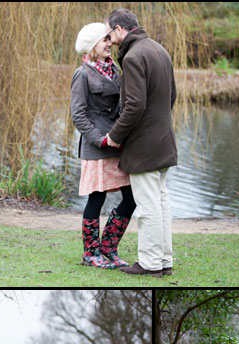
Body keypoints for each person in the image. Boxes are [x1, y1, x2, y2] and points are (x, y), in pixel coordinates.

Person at [104, 8, 177, 278]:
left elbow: (134, 106)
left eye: (109, 33)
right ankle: (164, 260)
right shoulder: (159, 50)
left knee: (148, 207)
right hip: (164, 140)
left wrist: (115, 135)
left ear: (120, 29)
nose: (109, 40)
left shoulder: (134, 57)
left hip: (145, 145)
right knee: (160, 203)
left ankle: (149, 263)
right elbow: (172, 96)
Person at [71, 22, 136, 269]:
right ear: (92, 46)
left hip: (117, 144)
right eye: (104, 40)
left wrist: (121, 132)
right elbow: (78, 115)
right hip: (97, 146)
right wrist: (100, 139)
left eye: (109, 39)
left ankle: (109, 247)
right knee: (96, 199)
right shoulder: (82, 74)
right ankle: (90, 253)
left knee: (131, 197)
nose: (110, 43)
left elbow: (120, 106)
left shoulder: (114, 70)